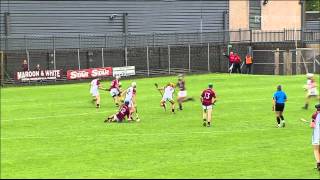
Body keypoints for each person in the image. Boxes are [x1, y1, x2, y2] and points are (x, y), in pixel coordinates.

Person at [310, 104, 320, 171]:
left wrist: (312, 123)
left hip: (317, 135)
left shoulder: (314, 115)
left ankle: (318, 164)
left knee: (316, 150)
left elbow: (312, 126)